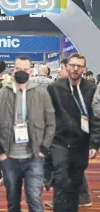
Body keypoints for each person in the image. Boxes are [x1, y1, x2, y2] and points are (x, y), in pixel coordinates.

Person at [0, 56, 56, 212]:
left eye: (25, 69)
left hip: (34, 157)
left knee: (34, 200)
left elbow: (51, 123)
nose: (22, 72)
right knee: (12, 202)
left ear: (30, 71)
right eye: (18, 69)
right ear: (13, 70)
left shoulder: (41, 94)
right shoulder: (1, 95)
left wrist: (44, 148)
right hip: (9, 157)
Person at [47, 53, 100, 212]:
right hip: (59, 141)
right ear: (67, 67)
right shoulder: (54, 88)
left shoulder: (90, 88)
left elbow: (95, 117)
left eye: (79, 66)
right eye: (72, 65)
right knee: (61, 178)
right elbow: (48, 114)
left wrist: (94, 144)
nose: (75, 68)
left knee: (75, 182)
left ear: (84, 69)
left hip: (81, 142)